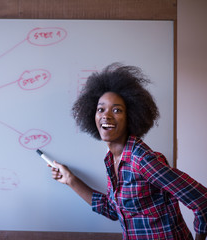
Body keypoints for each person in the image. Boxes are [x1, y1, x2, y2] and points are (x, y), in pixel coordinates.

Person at [50, 63, 207, 240]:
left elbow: (203, 201)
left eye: (116, 110)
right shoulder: (112, 159)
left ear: (131, 115)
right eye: (100, 109)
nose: (106, 116)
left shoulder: (143, 160)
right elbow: (113, 211)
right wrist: (71, 180)